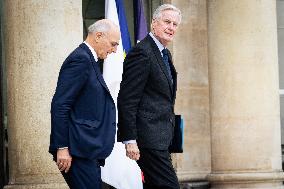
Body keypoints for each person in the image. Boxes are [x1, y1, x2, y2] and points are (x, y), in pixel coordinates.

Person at [49, 19, 120, 189]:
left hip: (86, 150)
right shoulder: (80, 59)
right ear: (98, 36)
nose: (115, 49)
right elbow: (60, 105)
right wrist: (62, 147)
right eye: (113, 44)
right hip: (76, 151)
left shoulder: (89, 60)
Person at [117, 4, 182, 189]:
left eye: (175, 24)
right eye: (167, 22)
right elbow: (127, 99)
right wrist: (130, 139)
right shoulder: (142, 52)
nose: (171, 27)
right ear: (154, 23)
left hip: (161, 138)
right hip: (147, 139)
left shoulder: (164, 53)